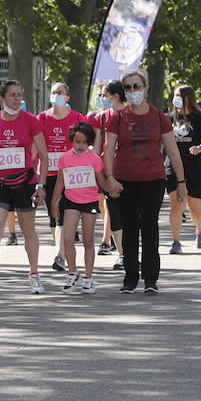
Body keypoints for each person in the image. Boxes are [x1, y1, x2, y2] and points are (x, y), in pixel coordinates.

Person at [103, 67, 186, 293]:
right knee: (129, 226)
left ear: (145, 88)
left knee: (148, 224)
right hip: (123, 180)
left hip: (153, 179)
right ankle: (130, 278)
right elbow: (108, 149)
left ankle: (151, 279)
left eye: (136, 86)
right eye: (128, 87)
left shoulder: (158, 116)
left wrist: (181, 182)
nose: (132, 91)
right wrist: (109, 178)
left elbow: (173, 151)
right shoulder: (118, 117)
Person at [0, 79, 47, 299]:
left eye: (19, 94)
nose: (17, 98)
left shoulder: (31, 120)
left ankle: (34, 273)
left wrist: (41, 184)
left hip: (25, 181)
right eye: (13, 94)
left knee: (28, 230)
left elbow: (44, 154)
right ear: (2, 98)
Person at [50, 121, 119, 294]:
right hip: (71, 201)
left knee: (88, 241)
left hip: (89, 202)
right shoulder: (65, 158)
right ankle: (72, 273)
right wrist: (54, 202)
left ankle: (88, 278)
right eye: (77, 142)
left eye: (84, 142)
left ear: (89, 142)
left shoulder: (93, 158)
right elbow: (60, 182)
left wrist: (112, 188)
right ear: (72, 140)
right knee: (67, 238)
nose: (80, 146)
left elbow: (101, 181)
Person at [38, 82, 86, 272]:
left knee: (64, 214)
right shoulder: (41, 118)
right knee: (54, 214)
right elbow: (35, 146)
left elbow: (88, 142)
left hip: (72, 173)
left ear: (67, 97)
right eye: (54, 92)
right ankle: (64, 246)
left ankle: (60, 255)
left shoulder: (78, 118)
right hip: (49, 172)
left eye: (61, 93)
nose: (57, 95)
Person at [166, 84, 201, 253]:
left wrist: (200, 147)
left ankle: (200, 228)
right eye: (175, 95)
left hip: (194, 166)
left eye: (179, 95)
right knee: (177, 204)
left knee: (194, 207)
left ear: (188, 98)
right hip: (172, 166)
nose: (176, 98)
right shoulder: (168, 118)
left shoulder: (200, 118)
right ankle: (176, 242)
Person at [93, 80, 127, 267]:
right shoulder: (103, 117)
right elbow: (98, 145)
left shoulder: (131, 114)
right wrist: (94, 167)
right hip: (109, 171)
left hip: (131, 170)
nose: (102, 99)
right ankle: (122, 254)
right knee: (113, 211)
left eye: (105, 95)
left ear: (115, 96)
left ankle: (130, 251)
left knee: (130, 213)